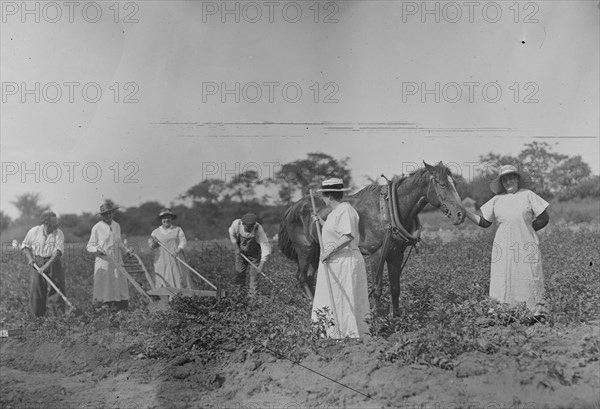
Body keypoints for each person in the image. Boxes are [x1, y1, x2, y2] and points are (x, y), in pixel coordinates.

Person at [464, 165, 550, 319]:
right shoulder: (497, 200)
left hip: (526, 244)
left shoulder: (528, 195)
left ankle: (533, 313)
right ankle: (502, 313)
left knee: (528, 275)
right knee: (503, 276)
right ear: (502, 183)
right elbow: (485, 222)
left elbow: (544, 218)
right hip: (503, 246)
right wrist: (465, 212)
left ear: (517, 179)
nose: (509, 181)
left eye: (511, 177)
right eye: (505, 179)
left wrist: (527, 230)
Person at [311, 178, 370, 339]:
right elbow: (336, 231)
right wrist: (321, 222)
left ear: (329, 196)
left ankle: (348, 335)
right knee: (333, 299)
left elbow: (347, 236)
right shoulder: (334, 213)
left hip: (345, 261)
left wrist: (328, 252)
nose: (322, 199)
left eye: (323, 195)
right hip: (333, 263)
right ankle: (331, 334)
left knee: (345, 299)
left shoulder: (346, 210)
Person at [86, 202, 132, 311]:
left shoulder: (116, 225)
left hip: (117, 260)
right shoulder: (97, 227)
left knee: (119, 285)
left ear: (113, 213)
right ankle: (103, 310)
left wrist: (126, 251)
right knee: (105, 288)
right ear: (102, 215)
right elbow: (89, 245)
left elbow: (119, 242)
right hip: (104, 261)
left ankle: (119, 310)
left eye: (110, 213)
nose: (108, 216)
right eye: (105, 214)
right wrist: (97, 250)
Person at [21, 210, 65, 317]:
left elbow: (58, 252)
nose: (56, 226)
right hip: (38, 261)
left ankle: (58, 318)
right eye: (54, 224)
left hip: (53, 262)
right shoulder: (34, 231)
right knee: (37, 290)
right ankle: (38, 318)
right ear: (46, 223)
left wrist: (46, 266)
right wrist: (30, 259)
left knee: (56, 289)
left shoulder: (58, 233)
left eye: (57, 224)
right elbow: (25, 246)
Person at [228, 213, 270, 295]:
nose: (250, 229)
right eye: (248, 227)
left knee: (254, 277)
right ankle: (239, 295)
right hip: (241, 254)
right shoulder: (236, 224)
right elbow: (231, 233)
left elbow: (266, 247)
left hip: (255, 255)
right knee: (240, 274)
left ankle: (252, 298)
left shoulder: (258, 229)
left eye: (251, 227)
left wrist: (261, 265)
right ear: (243, 224)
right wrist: (236, 246)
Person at [148, 208, 190, 288]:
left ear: (171, 219)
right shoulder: (155, 232)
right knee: (163, 280)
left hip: (175, 258)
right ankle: (165, 299)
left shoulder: (178, 229)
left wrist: (177, 251)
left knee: (178, 278)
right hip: (162, 260)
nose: (166, 220)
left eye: (168, 218)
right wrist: (155, 244)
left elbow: (183, 242)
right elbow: (151, 246)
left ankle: (179, 298)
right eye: (164, 218)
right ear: (161, 219)